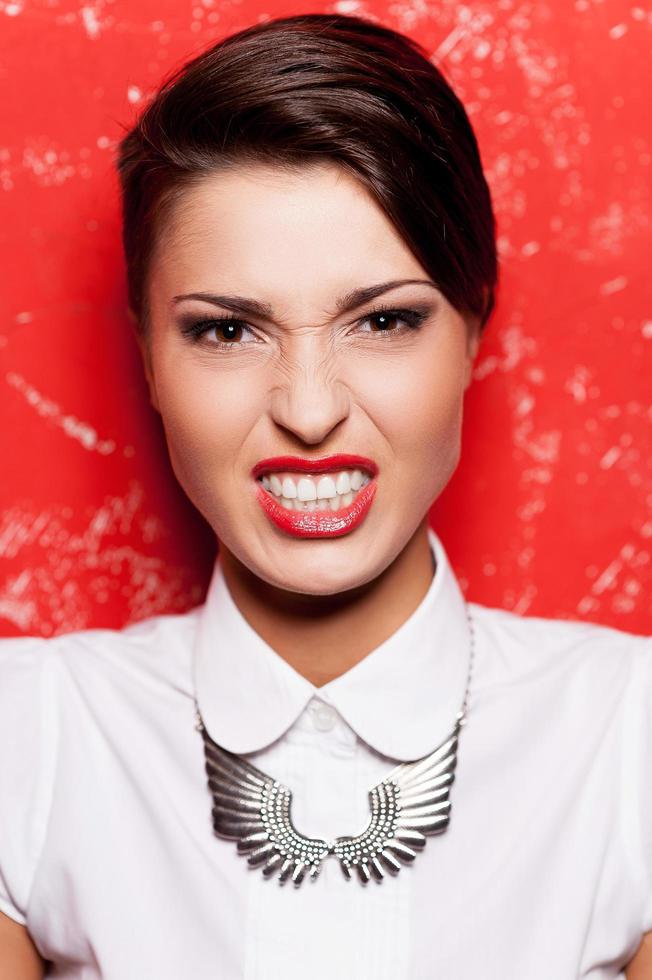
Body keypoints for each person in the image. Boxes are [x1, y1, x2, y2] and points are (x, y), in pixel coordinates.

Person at [0, 12, 650, 979]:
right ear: (146, 352)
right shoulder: (33, 733)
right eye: (226, 332)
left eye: (382, 320)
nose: (309, 412)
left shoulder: (627, 734)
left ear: (475, 326)